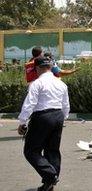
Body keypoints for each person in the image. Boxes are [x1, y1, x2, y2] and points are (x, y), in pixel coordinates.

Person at [18, 56, 70, 191]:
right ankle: (50, 182)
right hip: (58, 116)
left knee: (31, 150)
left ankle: (50, 175)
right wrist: (62, 118)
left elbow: (30, 104)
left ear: (37, 68)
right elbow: (66, 105)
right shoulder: (61, 83)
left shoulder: (37, 83)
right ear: (51, 67)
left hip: (42, 116)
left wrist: (23, 122)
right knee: (52, 150)